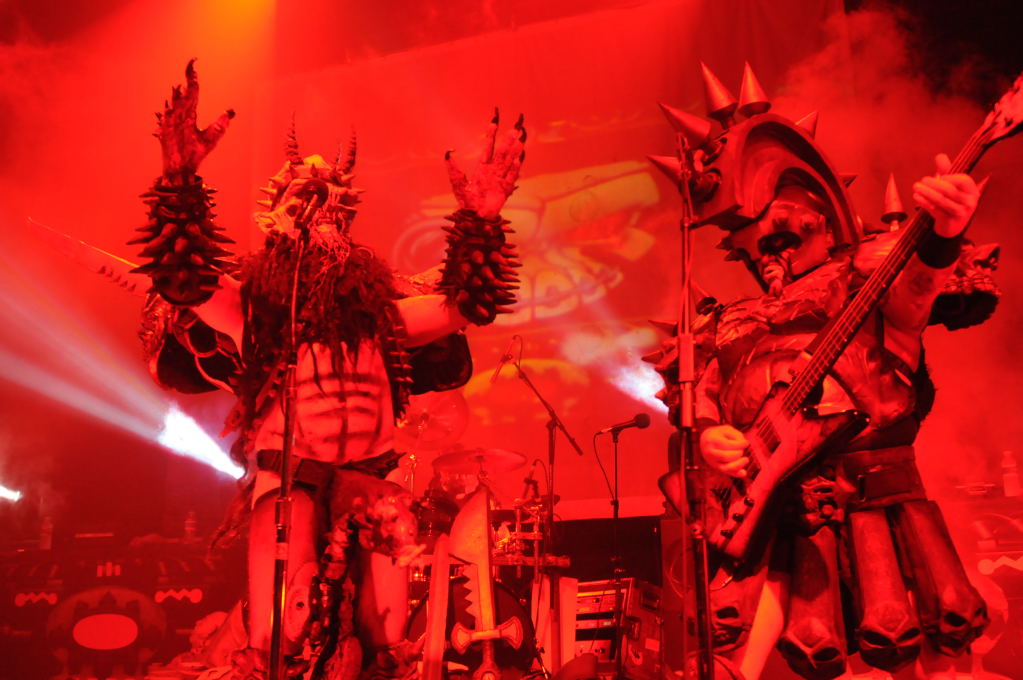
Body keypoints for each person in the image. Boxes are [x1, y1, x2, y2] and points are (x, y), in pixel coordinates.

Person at [131, 61, 525, 679]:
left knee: (384, 639)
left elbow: (466, 305)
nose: (320, 210)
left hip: (370, 475)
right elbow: (185, 279)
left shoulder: (386, 317)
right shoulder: (255, 310)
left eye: (332, 201)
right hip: (291, 477)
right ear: (277, 216)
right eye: (303, 198)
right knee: (282, 632)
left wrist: (481, 218)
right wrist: (179, 180)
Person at [648, 66, 994, 680]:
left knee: (924, 653)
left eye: (779, 235)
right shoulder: (731, 319)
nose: (769, 254)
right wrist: (707, 435)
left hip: (879, 500)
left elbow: (917, 295)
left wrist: (943, 233)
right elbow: (699, 395)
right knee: (734, 660)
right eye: (753, 243)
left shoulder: (866, 277)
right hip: (773, 512)